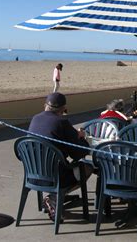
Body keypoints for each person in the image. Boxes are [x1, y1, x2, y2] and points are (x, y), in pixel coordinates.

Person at [28, 92, 92, 222]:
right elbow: (78, 154)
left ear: (45, 105)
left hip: (32, 175)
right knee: (87, 168)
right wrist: (81, 137)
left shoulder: (35, 118)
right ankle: (55, 196)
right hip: (55, 177)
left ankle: (55, 196)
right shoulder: (62, 122)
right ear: (63, 109)